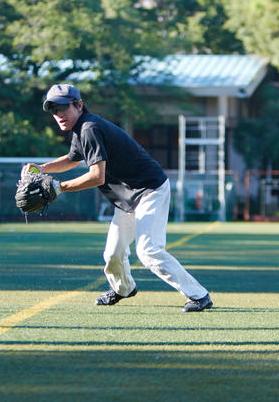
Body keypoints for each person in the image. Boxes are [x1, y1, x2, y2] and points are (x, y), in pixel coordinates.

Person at [24, 84, 212, 312]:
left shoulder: (89, 128)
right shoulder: (80, 130)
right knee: (113, 253)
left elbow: (97, 177)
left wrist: (59, 187)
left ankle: (199, 295)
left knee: (148, 250)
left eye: (63, 107)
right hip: (126, 198)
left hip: (149, 189)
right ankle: (124, 288)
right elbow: (73, 159)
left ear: (79, 105)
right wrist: (43, 168)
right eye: (53, 109)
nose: (59, 114)